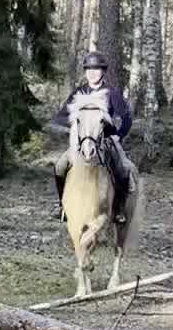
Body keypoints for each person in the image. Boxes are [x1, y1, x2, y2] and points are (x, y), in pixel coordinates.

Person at [51, 50, 135, 221]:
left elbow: (126, 118)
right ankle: (62, 205)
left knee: (125, 169)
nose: (92, 73)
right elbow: (60, 116)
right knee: (60, 166)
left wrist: (118, 135)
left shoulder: (111, 93)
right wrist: (75, 125)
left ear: (103, 72)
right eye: (89, 70)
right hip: (81, 142)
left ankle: (119, 209)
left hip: (106, 141)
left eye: (96, 69)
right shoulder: (79, 93)